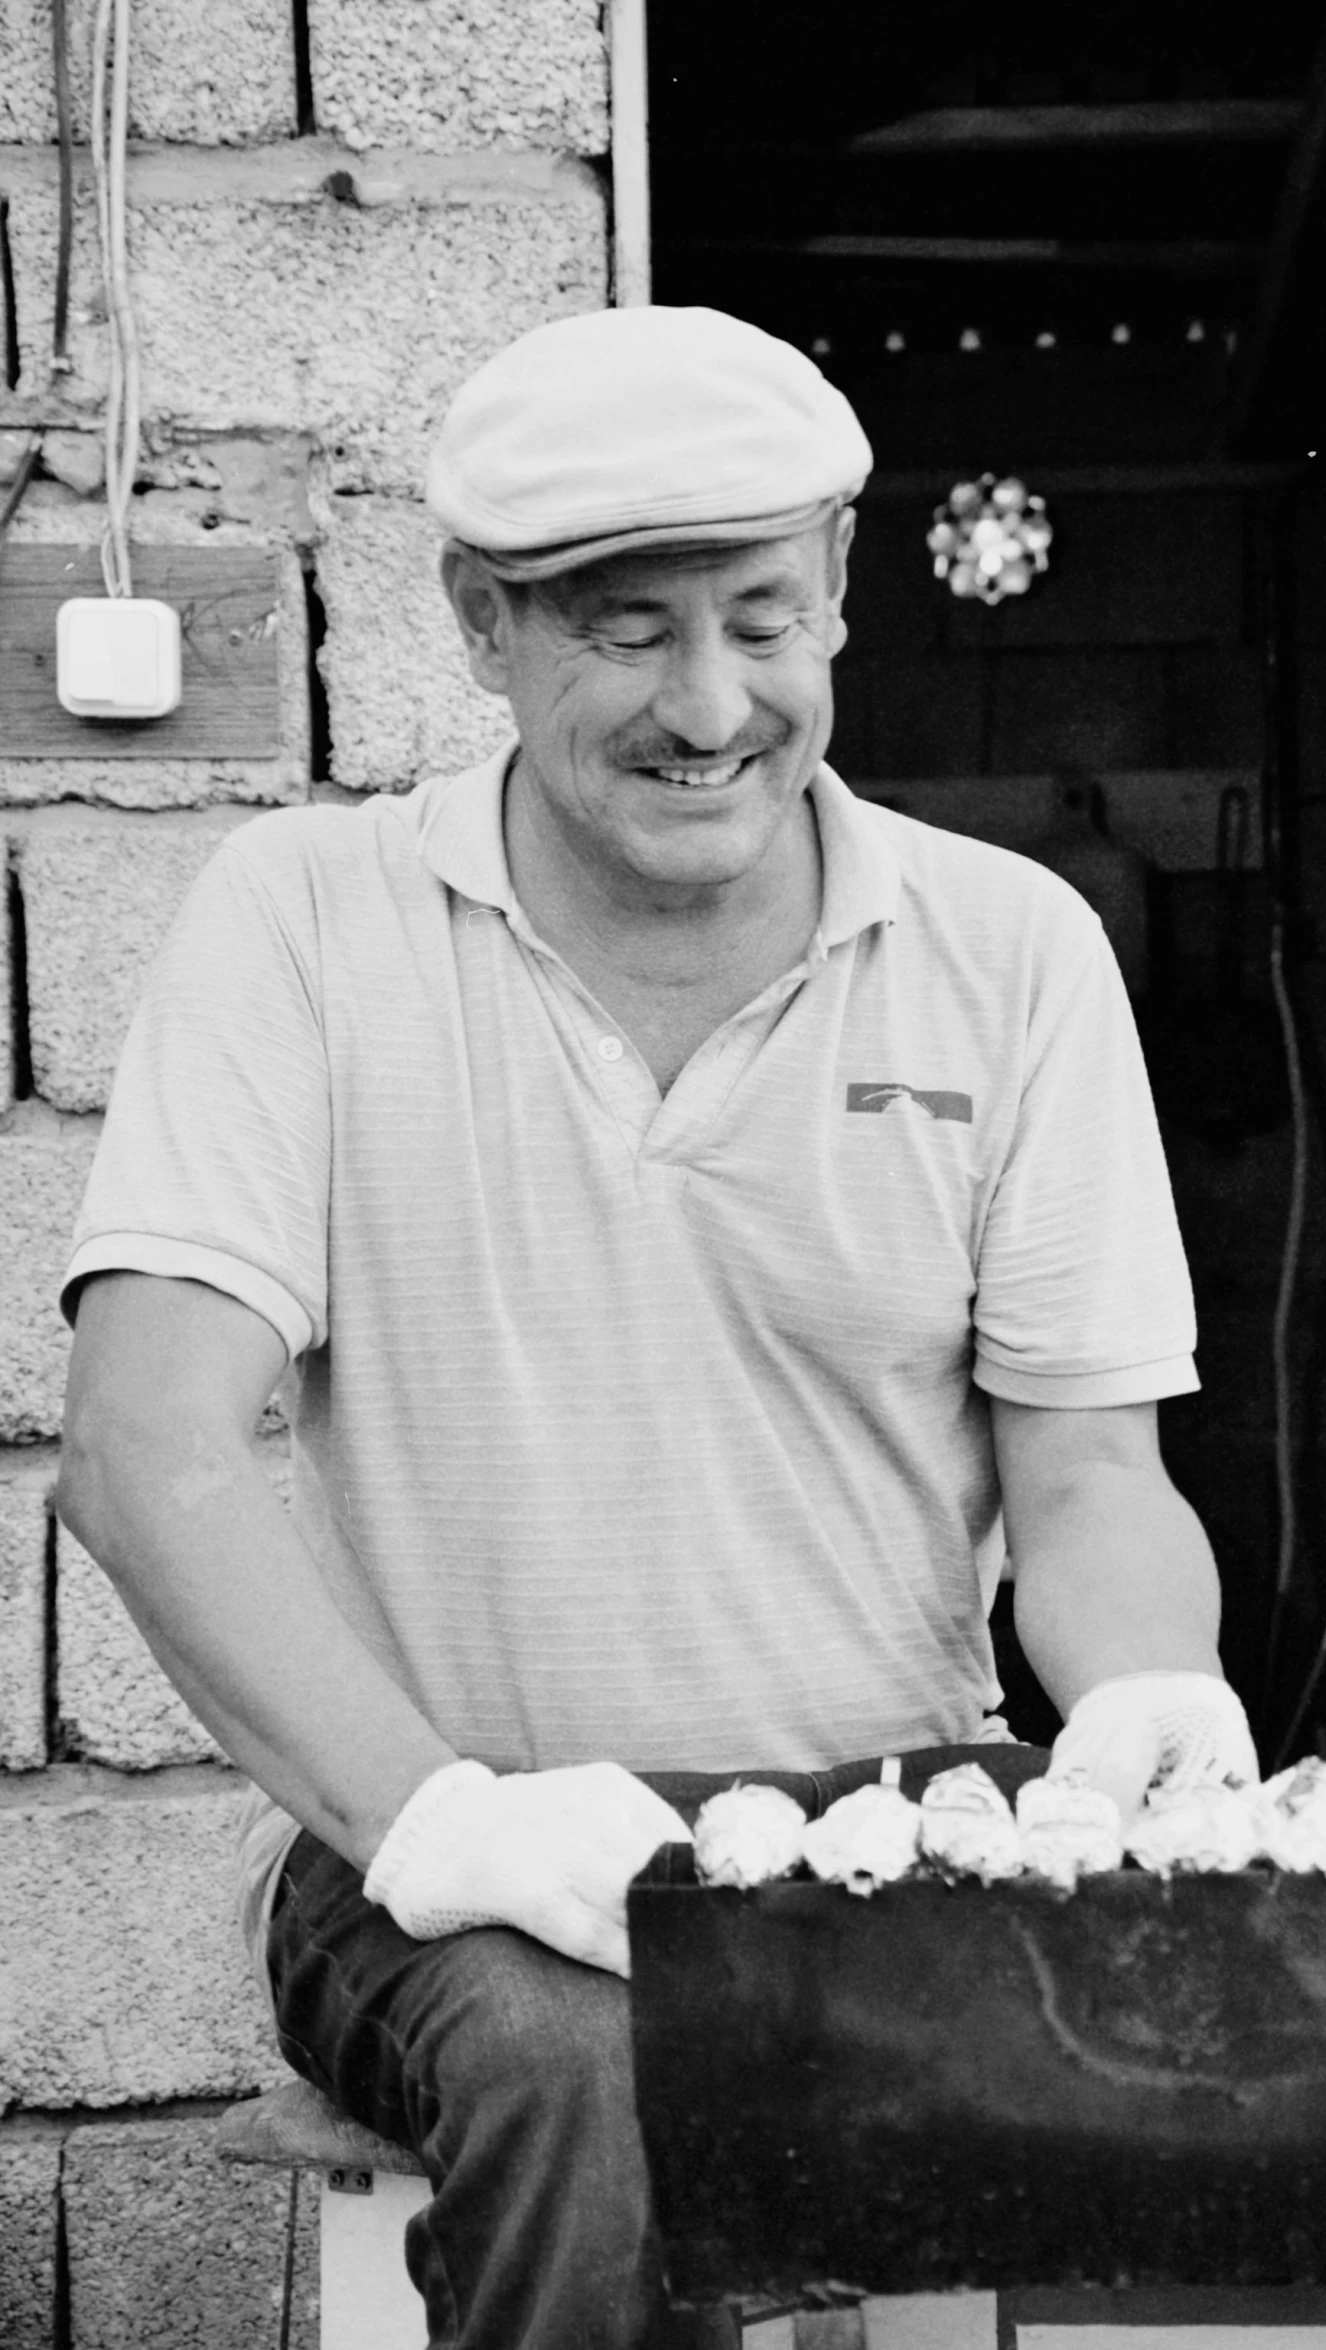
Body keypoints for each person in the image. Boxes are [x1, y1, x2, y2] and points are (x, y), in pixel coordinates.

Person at [56, 305, 1258, 2350]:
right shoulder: (305, 920)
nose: (714, 705)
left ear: (844, 597)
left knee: (1226, 2052)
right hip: (445, 1829)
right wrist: (448, 1821)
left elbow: (1088, 1476)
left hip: (889, 1812)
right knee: (589, 2057)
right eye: (626, 629)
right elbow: (147, 1451)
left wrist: (1155, 1682)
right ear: (478, 620)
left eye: (764, 619)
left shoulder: (1011, 952)